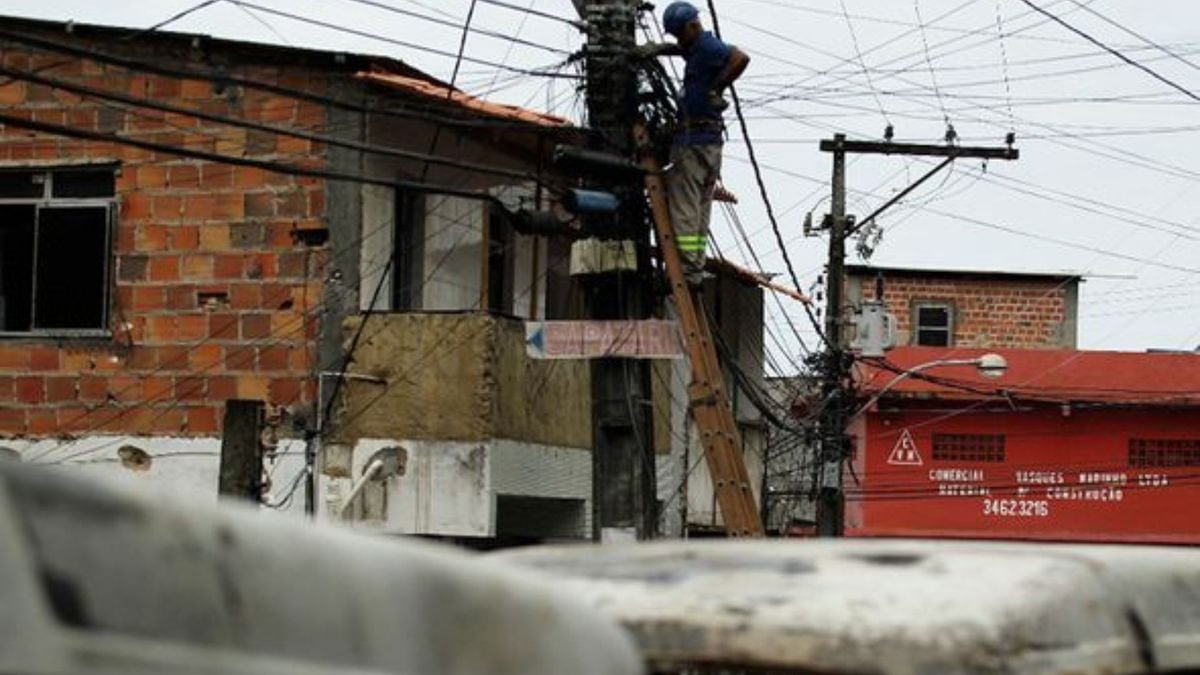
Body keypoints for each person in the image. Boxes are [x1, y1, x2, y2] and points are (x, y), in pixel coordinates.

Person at [638, 1, 750, 287]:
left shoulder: (708, 47)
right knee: (700, 209)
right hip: (709, 142)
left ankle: (687, 272)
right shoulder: (698, 46)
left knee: (685, 207)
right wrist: (661, 50)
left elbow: (740, 58)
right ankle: (695, 267)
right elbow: (686, 50)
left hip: (694, 141)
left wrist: (716, 88)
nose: (678, 40)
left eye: (678, 34)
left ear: (691, 27)